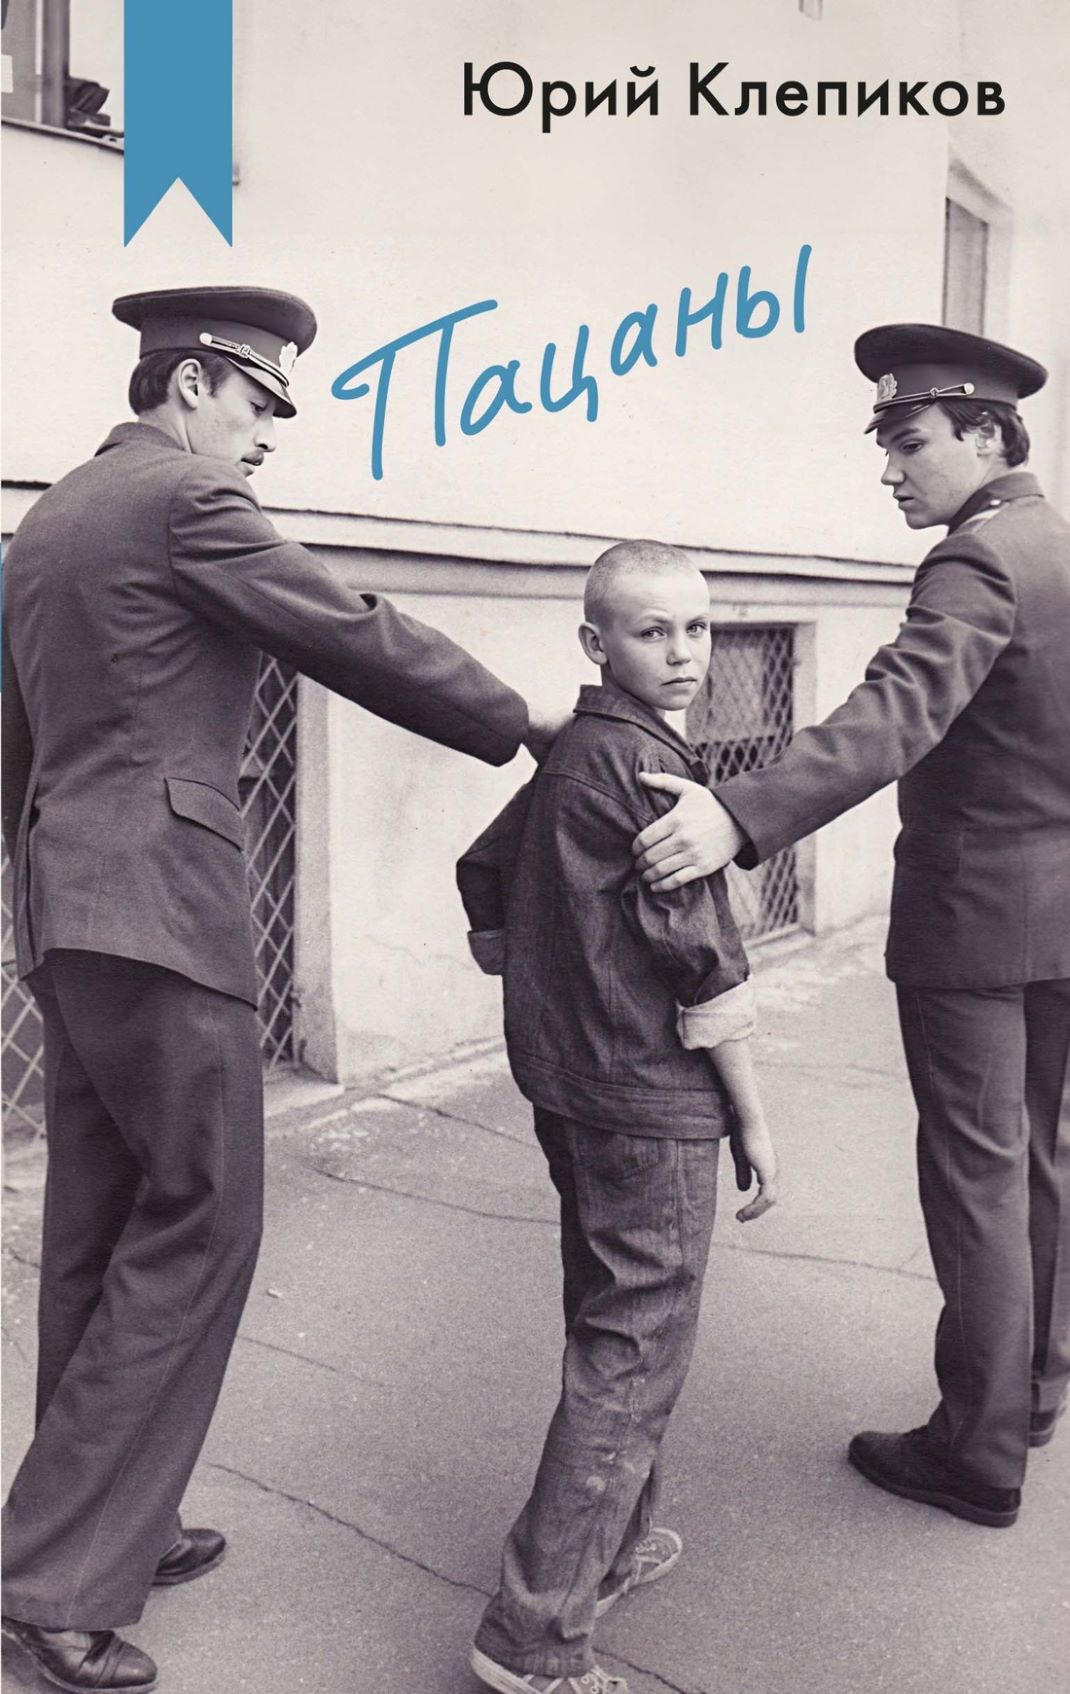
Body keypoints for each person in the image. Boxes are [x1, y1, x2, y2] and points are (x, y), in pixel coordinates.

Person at [0, 285, 560, 1694]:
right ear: (191, 384)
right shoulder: (188, 500)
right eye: (259, 403)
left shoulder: (50, 517)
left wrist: (39, 896)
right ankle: (55, 1576)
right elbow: (344, 628)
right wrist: (520, 717)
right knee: (203, 1218)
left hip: (71, 906)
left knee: (101, 1226)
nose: (267, 435)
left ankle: (103, 1525)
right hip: (162, 908)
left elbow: (15, 738)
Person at [631, 324, 1070, 1530]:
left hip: (973, 924)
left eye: (909, 441)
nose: (889, 470)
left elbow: (894, 711)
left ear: (983, 434)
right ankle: (1031, 1388)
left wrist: (740, 811)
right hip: (1058, 911)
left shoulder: (975, 561)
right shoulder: (1055, 543)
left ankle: (976, 1450)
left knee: (976, 1177)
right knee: (1038, 1154)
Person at [457, 541, 779, 1694]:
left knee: (608, 1313)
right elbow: (703, 963)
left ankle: (606, 1546)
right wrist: (751, 1117)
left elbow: (482, 867)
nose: (684, 652)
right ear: (595, 642)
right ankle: (533, 1638)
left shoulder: (577, 749)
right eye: (652, 631)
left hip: (574, 1088)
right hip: (649, 1098)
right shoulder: (652, 772)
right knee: (633, 1345)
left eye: (698, 627)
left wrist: (544, 976)